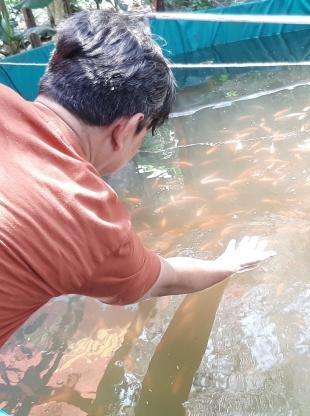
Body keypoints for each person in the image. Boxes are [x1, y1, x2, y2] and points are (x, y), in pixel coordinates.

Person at [0, 10, 276, 348]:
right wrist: (227, 264)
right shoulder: (87, 217)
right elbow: (166, 280)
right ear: (126, 129)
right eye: (144, 135)